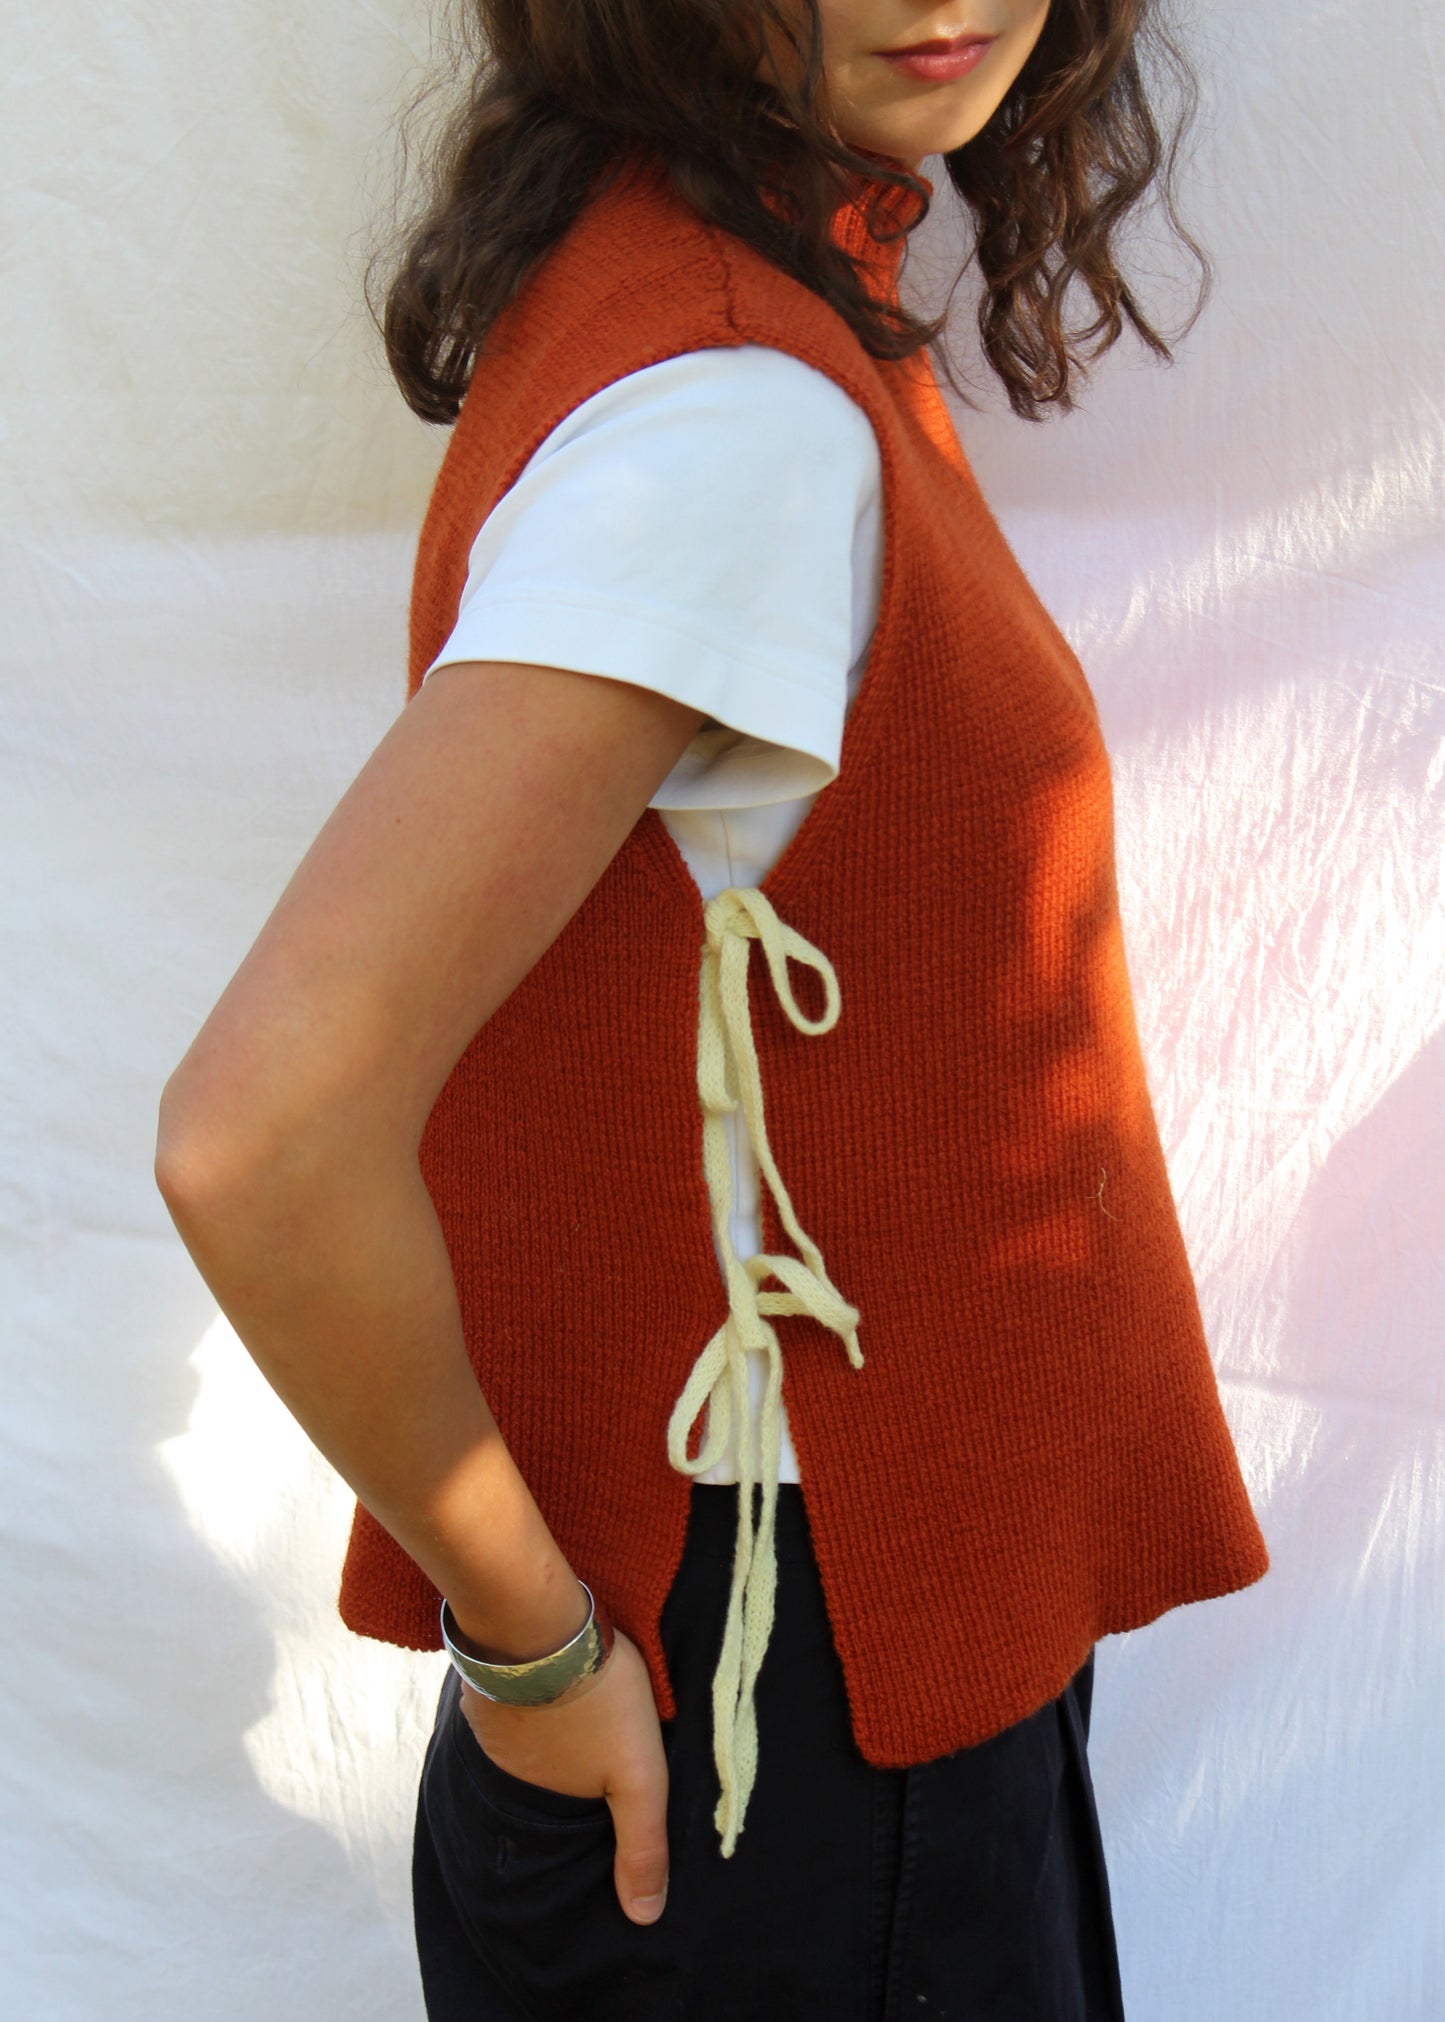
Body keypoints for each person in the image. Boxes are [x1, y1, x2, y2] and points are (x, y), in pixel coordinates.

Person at [155, 2, 1271, 2016]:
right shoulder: (734, 413)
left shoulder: (712, 288)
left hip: (790, 1677)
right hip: (783, 1719)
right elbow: (263, 1133)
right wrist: (527, 1642)